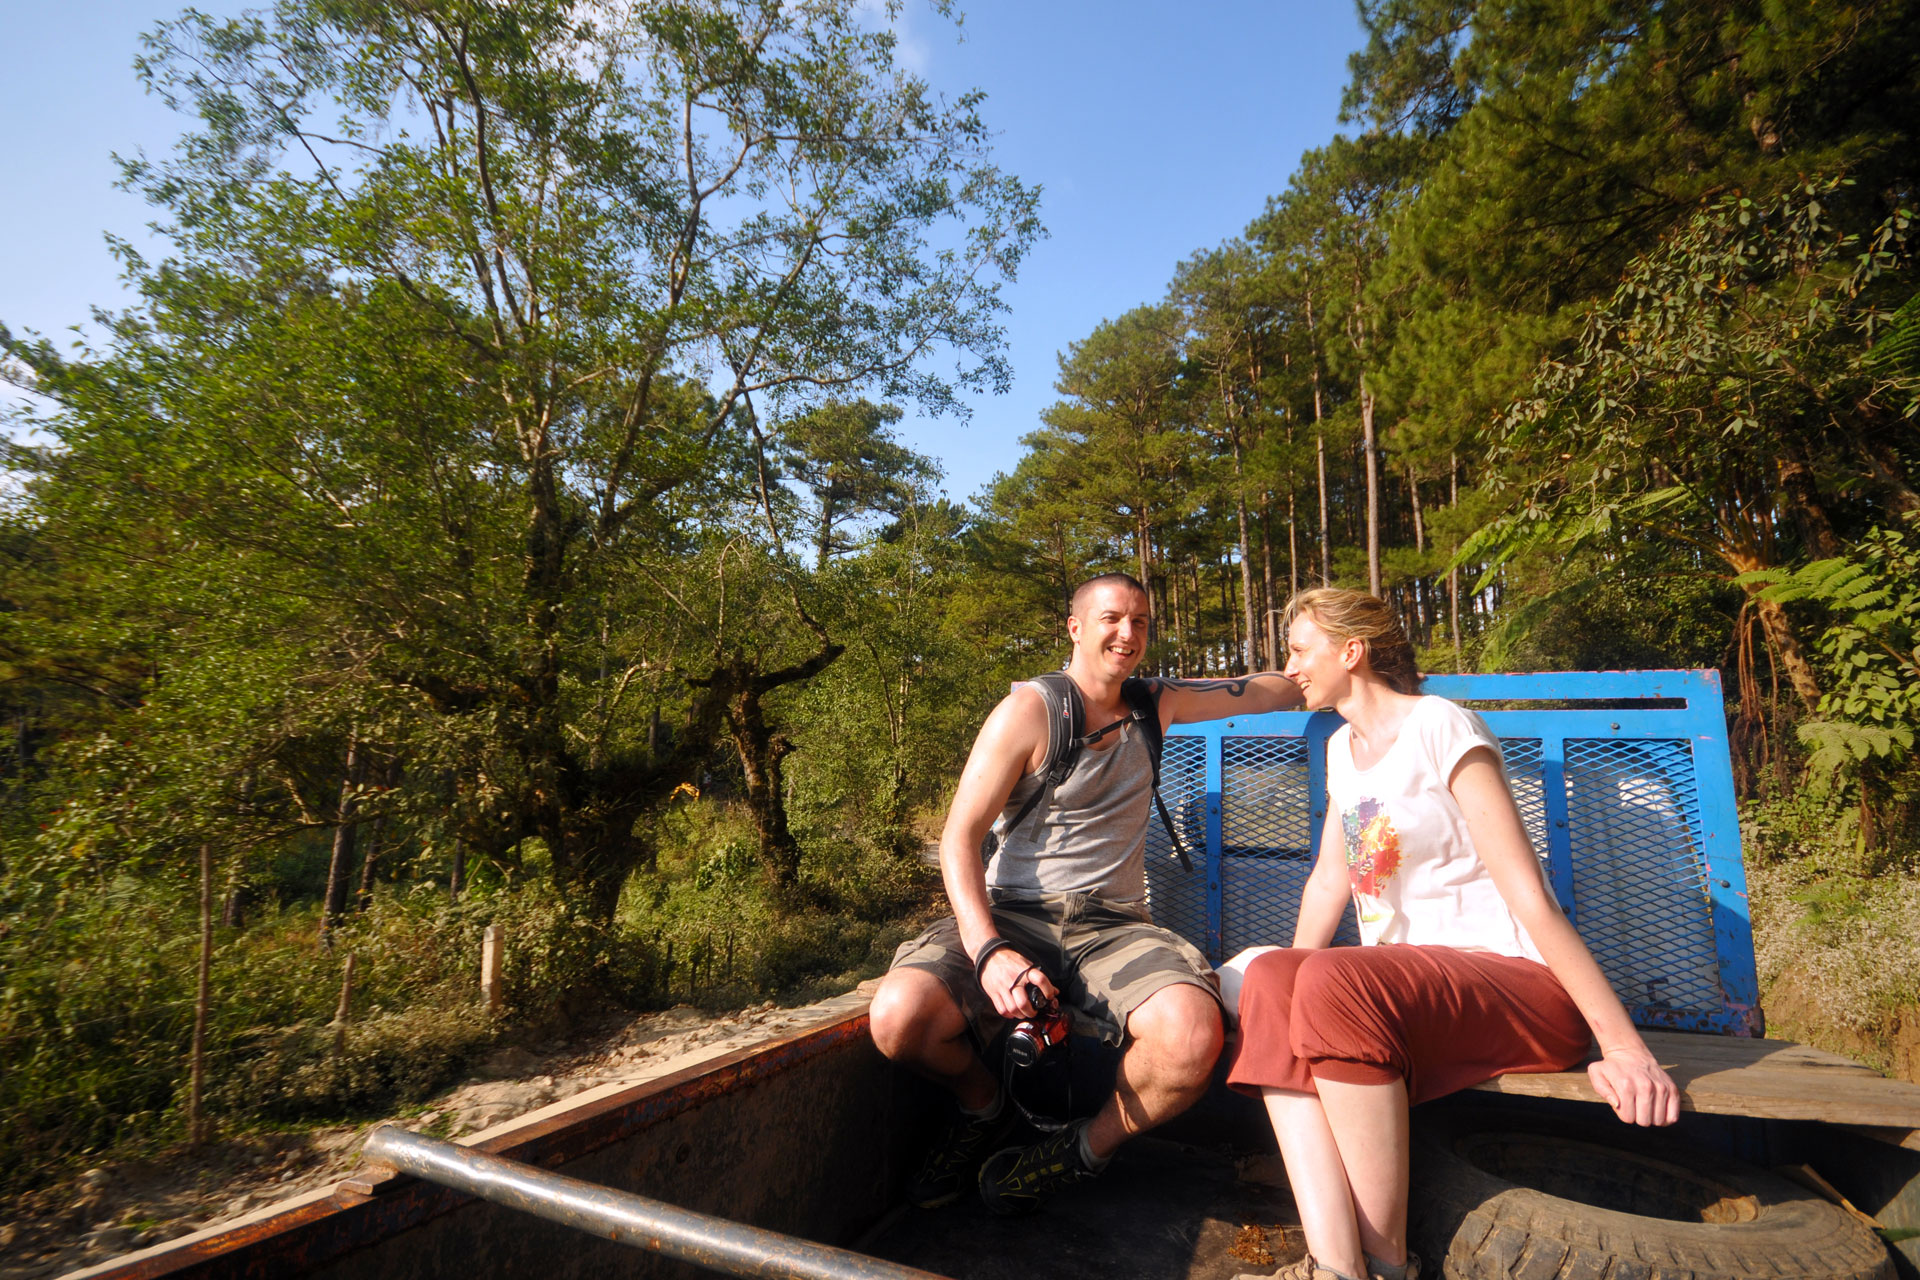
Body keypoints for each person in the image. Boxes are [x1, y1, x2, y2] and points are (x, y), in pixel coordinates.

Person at [1223, 588, 1681, 1280]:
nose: (1289, 667)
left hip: (1514, 984)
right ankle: (1334, 1266)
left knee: (1319, 980)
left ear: (1351, 652)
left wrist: (1622, 1046)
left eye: (1299, 649)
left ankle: (1385, 1262)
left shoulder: (1442, 726)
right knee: (1269, 977)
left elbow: (1528, 892)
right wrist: (1283, 1000)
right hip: (1412, 991)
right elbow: (1328, 880)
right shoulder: (1344, 750)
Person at [868, 572, 1306, 1214]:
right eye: (1110, 619)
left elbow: (1253, 691)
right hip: (1013, 915)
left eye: (1140, 622)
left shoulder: (1156, 703)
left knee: (1190, 1038)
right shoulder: (1029, 713)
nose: (1127, 634)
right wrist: (988, 949)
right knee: (898, 1019)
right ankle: (984, 1107)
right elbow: (957, 838)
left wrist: (1313, 673)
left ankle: (1078, 1152)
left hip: (1113, 924)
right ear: (1074, 628)